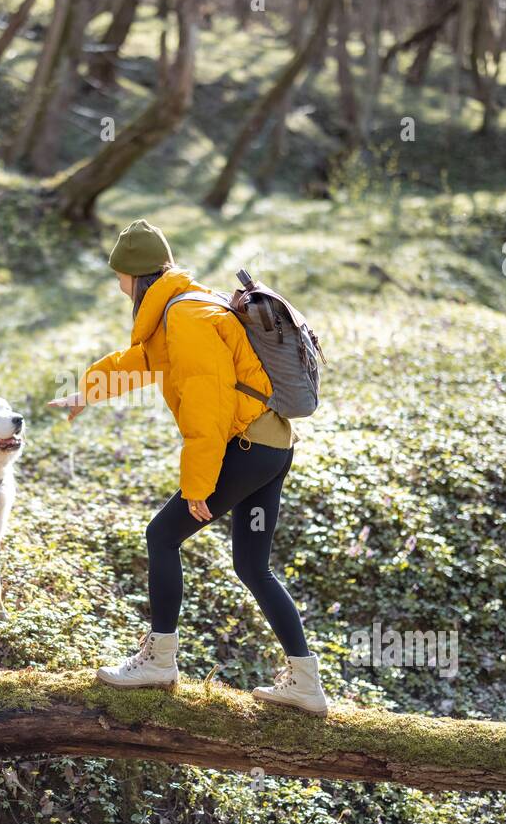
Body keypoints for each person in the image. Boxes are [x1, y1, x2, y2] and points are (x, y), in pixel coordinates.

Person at [48, 220, 328, 715]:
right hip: (272, 444)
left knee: (162, 535)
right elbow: (142, 361)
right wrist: (87, 392)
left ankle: (160, 660)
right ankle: (306, 682)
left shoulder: (187, 319)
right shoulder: (185, 308)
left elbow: (207, 403)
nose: (117, 287)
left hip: (245, 445)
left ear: (137, 278)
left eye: (120, 277)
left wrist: (198, 483)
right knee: (252, 565)